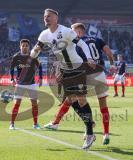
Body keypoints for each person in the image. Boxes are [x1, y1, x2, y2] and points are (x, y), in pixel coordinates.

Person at [30, 9, 102, 149]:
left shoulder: (66, 31)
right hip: (64, 70)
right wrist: (31, 55)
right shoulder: (44, 34)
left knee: (81, 99)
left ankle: (89, 133)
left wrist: (89, 58)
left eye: (49, 16)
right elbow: (36, 49)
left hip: (77, 67)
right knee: (72, 100)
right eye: (45, 17)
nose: (46, 18)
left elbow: (82, 44)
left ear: (56, 18)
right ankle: (89, 124)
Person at [44, 23, 115, 145]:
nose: (70, 33)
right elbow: (108, 52)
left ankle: (59, 123)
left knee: (72, 99)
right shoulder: (98, 40)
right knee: (103, 105)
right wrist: (112, 64)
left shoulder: (76, 42)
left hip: (85, 74)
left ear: (78, 31)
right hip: (100, 74)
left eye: (72, 30)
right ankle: (106, 134)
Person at [9, 39, 43, 130]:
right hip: (20, 84)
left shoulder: (33, 56)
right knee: (17, 104)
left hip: (31, 84)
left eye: (26, 45)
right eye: (23, 45)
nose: (24, 47)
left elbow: (40, 66)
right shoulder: (16, 56)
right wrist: (12, 79)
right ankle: (12, 124)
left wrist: (40, 78)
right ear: (20, 46)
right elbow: (11, 68)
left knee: (34, 104)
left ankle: (35, 124)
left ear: (29, 47)